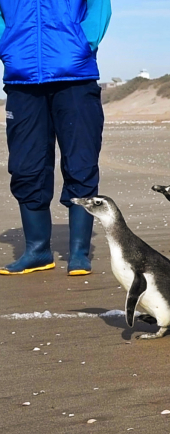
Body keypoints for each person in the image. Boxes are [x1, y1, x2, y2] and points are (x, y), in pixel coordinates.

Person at [0, 0, 112, 276]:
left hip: (75, 76)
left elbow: (99, 7)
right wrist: (6, 45)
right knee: (26, 167)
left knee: (81, 163)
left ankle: (78, 253)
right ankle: (37, 251)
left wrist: (82, 44)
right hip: (21, 81)